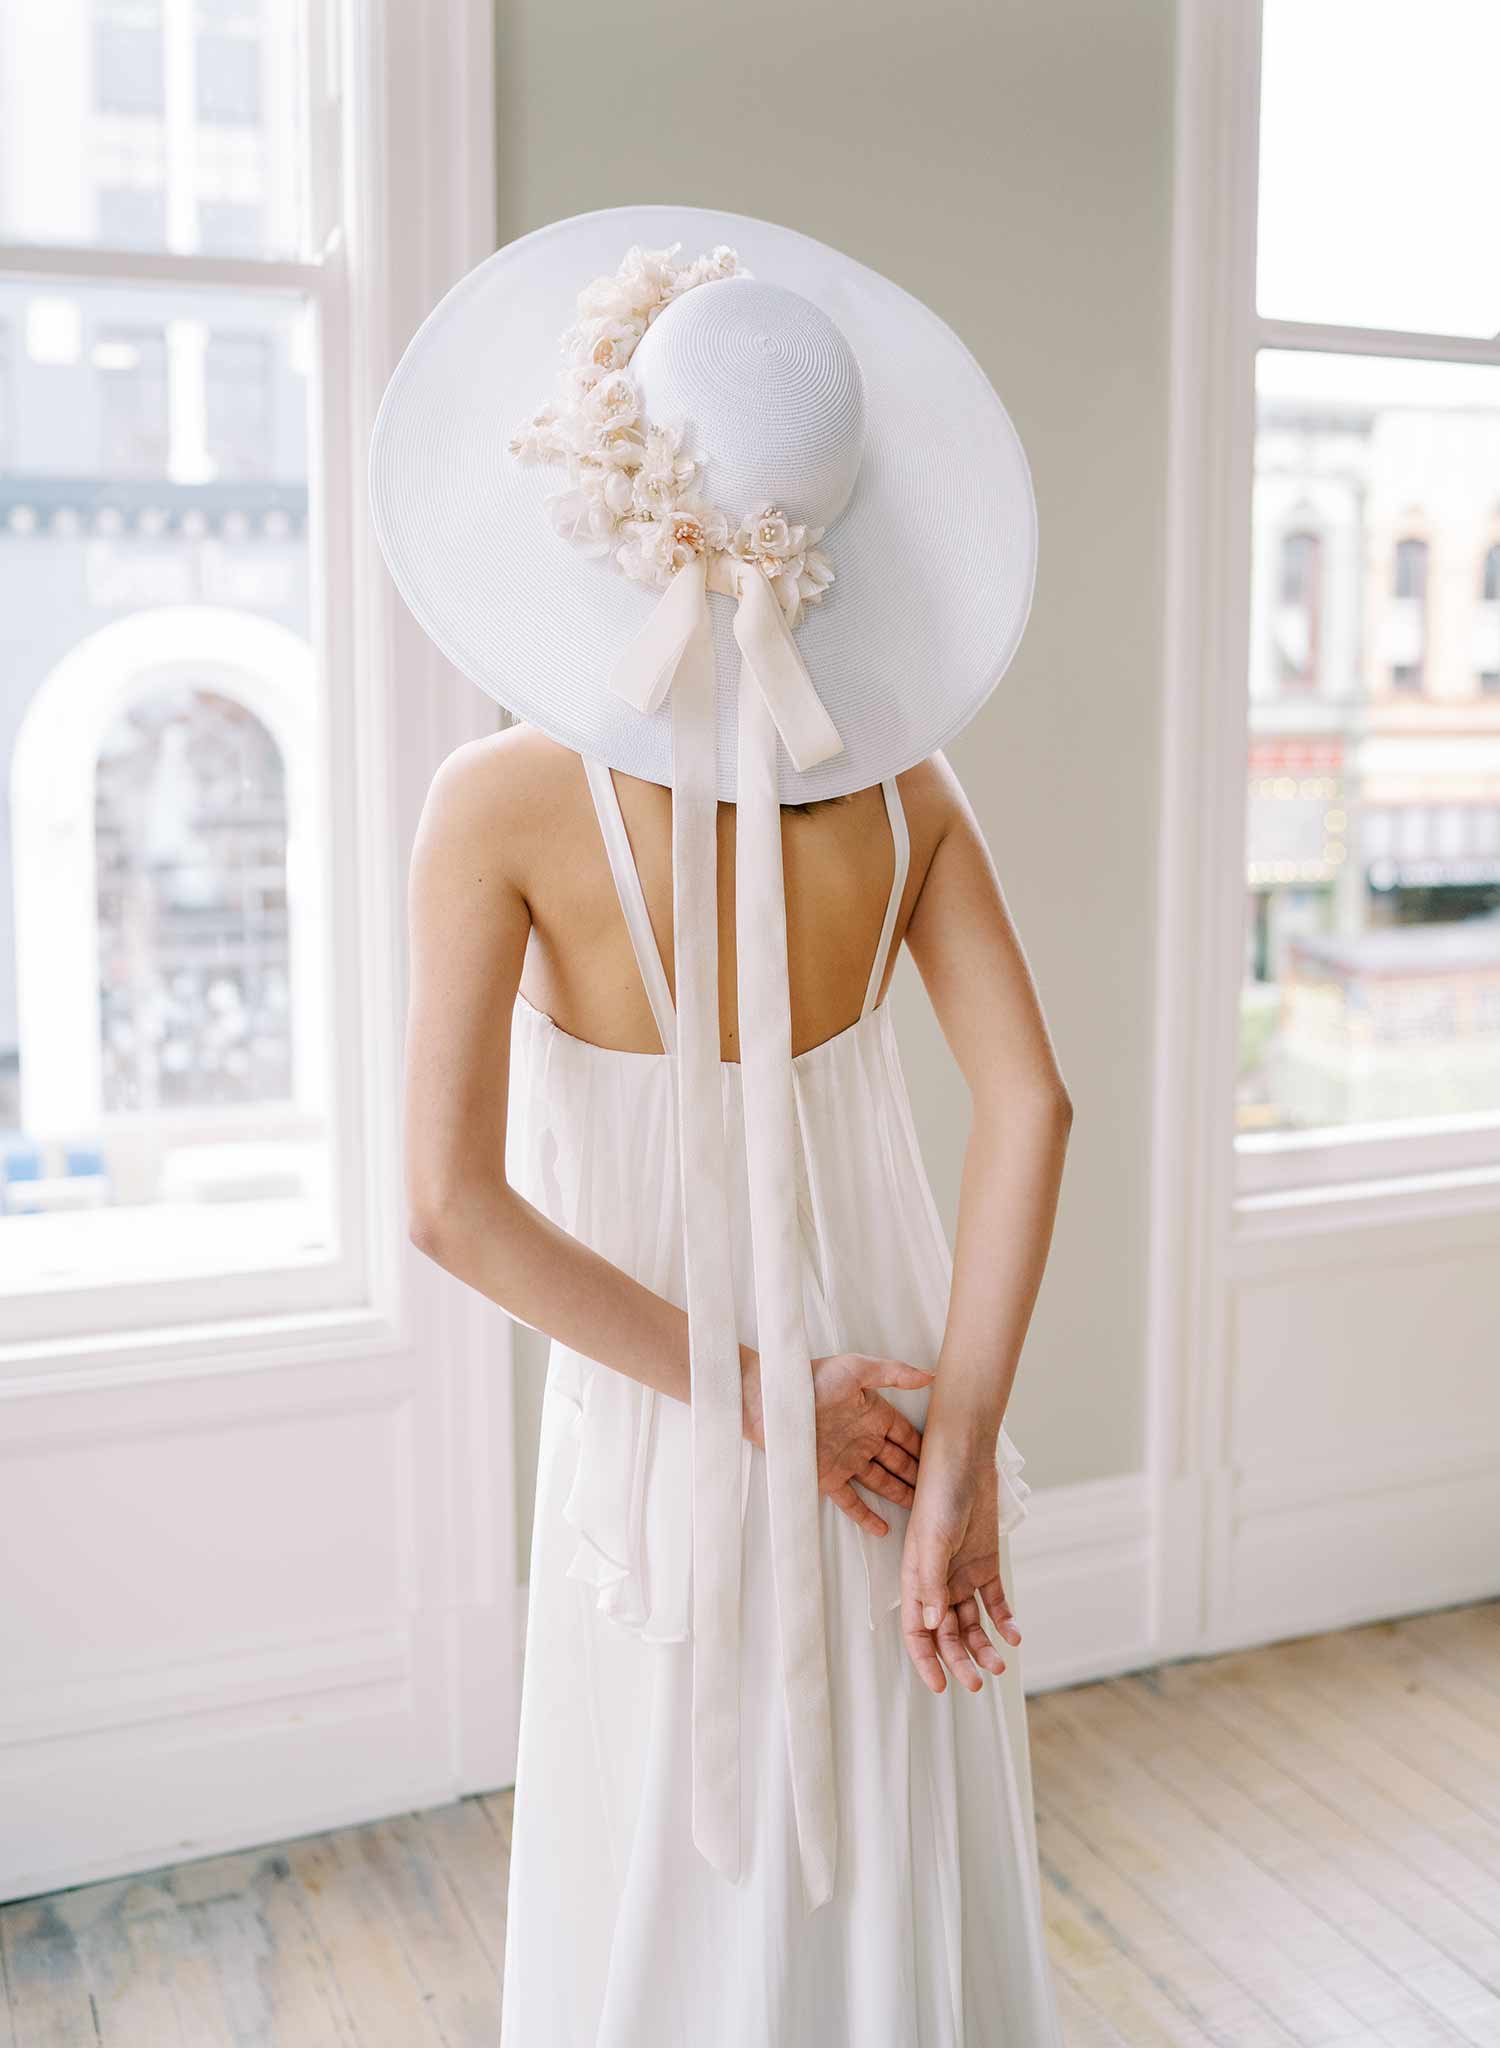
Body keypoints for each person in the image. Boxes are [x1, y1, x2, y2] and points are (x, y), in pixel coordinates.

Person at [372, 206, 1072, 2045]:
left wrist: (767, 1397)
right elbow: (1033, 1102)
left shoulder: (502, 799)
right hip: (906, 1397)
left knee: (678, 1880)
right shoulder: (905, 779)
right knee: (895, 1839)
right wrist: (967, 1451)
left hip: (695, 1399)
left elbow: (448, 1206)